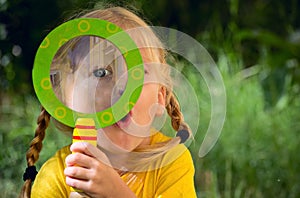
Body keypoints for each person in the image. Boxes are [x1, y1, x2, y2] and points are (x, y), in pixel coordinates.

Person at [20, 5, 197, 198]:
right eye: (102, 73)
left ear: (160, 96)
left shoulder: (171, 162)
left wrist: (116, 194)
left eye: (139, 72)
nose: (122, 86)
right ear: (68, 100)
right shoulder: (56, 175)